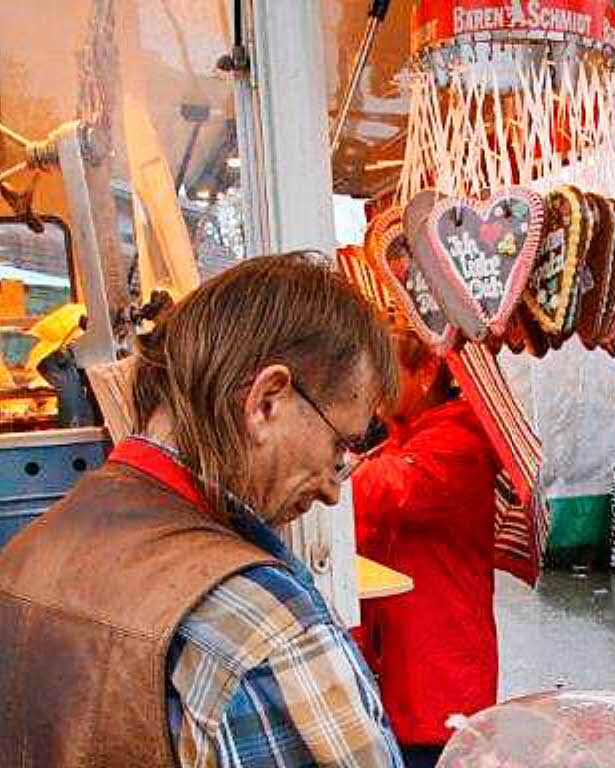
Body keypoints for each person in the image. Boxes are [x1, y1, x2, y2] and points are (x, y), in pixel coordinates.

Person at [0, 253, 406, 768]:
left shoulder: (26, 551)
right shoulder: (263, 626)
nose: (332, 489)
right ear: (266, 402)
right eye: (337, 448)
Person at [353, 326, 502, 768]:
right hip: (404, 669)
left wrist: (317, 464)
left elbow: (386, 488)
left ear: (428, 371)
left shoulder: (461, 440)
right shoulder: (403, 434)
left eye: (384, 371)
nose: (372, 386)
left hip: (439, 677)